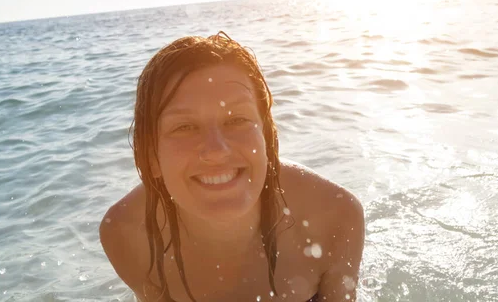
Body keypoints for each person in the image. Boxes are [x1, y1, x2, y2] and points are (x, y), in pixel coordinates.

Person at [99, 32, 364, 302]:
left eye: (237, 119)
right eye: (185, 127)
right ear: (152, 155)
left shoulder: (334, 216)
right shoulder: (127, 233)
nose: (216, 150)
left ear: (266, 135)